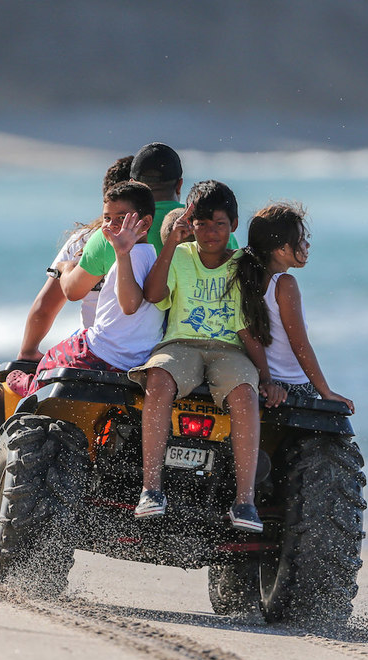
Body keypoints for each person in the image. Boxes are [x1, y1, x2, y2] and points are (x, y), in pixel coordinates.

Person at [129, 180, 284, 533]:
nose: (210, 232)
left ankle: (244, 500)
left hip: (228, 349)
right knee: (158, 377)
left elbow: (247, 328)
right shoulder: (180, 256)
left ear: (233, 224)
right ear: (189, 224)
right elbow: (153, 294)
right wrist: (171, 241)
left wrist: (268, 377)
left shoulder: (243, 263)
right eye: (201, 223)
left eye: (219, 224)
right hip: (181, 343)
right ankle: (151, 489)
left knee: (245, 393)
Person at [5, 181, 164, 397]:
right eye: (107, 218)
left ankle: (31, 387)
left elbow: (129, 305)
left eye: (121, 218)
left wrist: (121, 253)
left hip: (102, 352)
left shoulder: (127, 257)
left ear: (145, 223)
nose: (111, 225)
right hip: (136, 357)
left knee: (52, 357)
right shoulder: (150, 254)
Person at [59, 142, 238, 303]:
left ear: (132, 185)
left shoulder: (114, 233)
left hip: (137, 336)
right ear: (179, 185)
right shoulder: (211, 228)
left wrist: (66, 268)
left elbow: (73, 291)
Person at [231, 202, 355, 413]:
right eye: (300, 240)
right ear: (281, 249)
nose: (307, 245)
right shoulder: (284, 284)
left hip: (266, 383)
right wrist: (326, 392)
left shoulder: (247, 279)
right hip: (295, 387)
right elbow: (299, 344)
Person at [16, 155, 133, 361]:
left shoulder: (84, 239)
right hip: (148, 351)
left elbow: (45, 307)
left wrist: (28, 352)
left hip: (95, 350)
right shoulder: (169, 237)